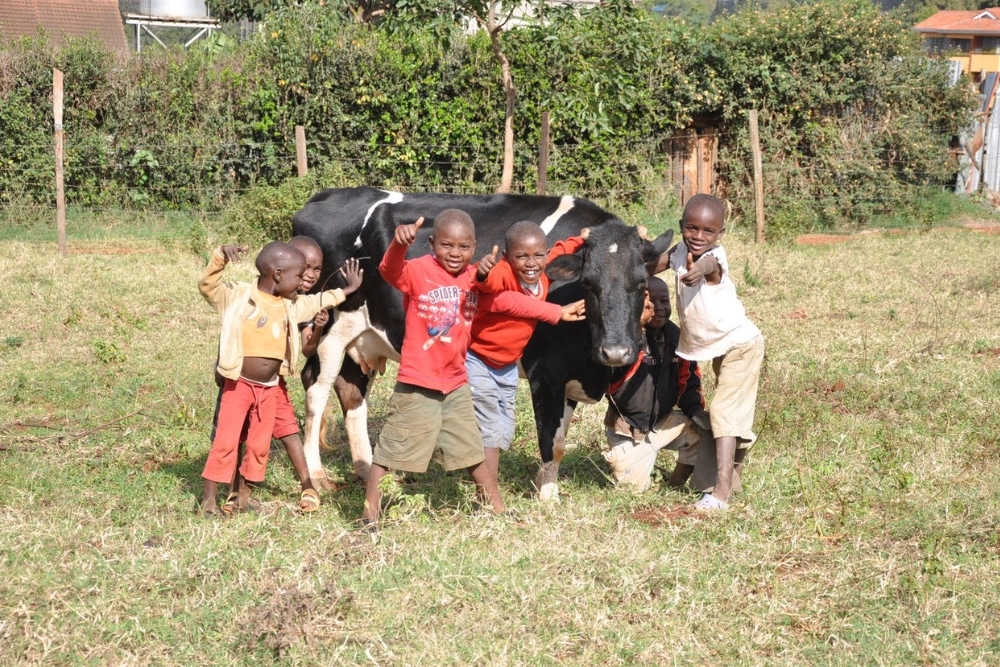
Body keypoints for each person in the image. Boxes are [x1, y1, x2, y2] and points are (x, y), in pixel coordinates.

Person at [361, 210, 505, 531]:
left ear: (474, 248)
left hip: (455, 381)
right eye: (446, 245)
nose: (455, 253)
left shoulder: (473, 277)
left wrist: (484, 274)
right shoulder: (417, 270)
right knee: (393, 448)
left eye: (464, 247)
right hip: (418, 381)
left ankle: (495, 508)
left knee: (471, 447)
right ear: (430, 243)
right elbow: (389, 270)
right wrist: (398, 246)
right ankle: (370, 513)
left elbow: (494, 286)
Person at [198, 241, 362, 517]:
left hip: (270, 388)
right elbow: (207, 285)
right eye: (298, 276)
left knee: (259, 446)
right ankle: (208, 501)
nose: (302, 281)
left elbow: (316, 301)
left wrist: (347, 290)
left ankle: (243, 498)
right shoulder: (238, 295)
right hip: (238, 385)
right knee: (226, 441)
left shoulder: (290, 306)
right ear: (277, 274)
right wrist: (219, 258)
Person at [468, 220, 586, 480]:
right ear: (508, 258)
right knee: (490, 428)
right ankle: (488, 491)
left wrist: (579, 238)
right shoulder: (503, 273)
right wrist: (483, 273)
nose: (531, 263)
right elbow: (488, 283)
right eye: (521, 257)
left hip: (507, 365)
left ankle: (466, 449)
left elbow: (558, 250)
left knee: (505, 430)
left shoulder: (544, 269)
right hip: (479, 359)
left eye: (538, 255)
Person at [668, 194, 764, 511]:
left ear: (720, 234)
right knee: (730, 413)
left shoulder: (715, 260)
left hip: (742, 345)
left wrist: (698, 272)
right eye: (692, 228)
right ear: (682, 226)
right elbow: (652, 264)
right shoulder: (680, 252)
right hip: (721, 349)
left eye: (708, 231)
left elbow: (711, 267)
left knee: (723, 411)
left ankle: (721, 492)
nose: (699, 237)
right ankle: (730, 468)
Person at [602, 276, 715, 492]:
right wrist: (635, 326)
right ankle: (632, 463)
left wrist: (696, 412)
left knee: (703, 433)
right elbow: (613, 379)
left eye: (664, 301)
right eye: (650, 302)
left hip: (662, 423)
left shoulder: (676, 337)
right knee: (633, 491)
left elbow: (688, 381)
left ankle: (674, 487)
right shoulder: (623, 337)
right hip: (629, 430)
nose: (659, 308)